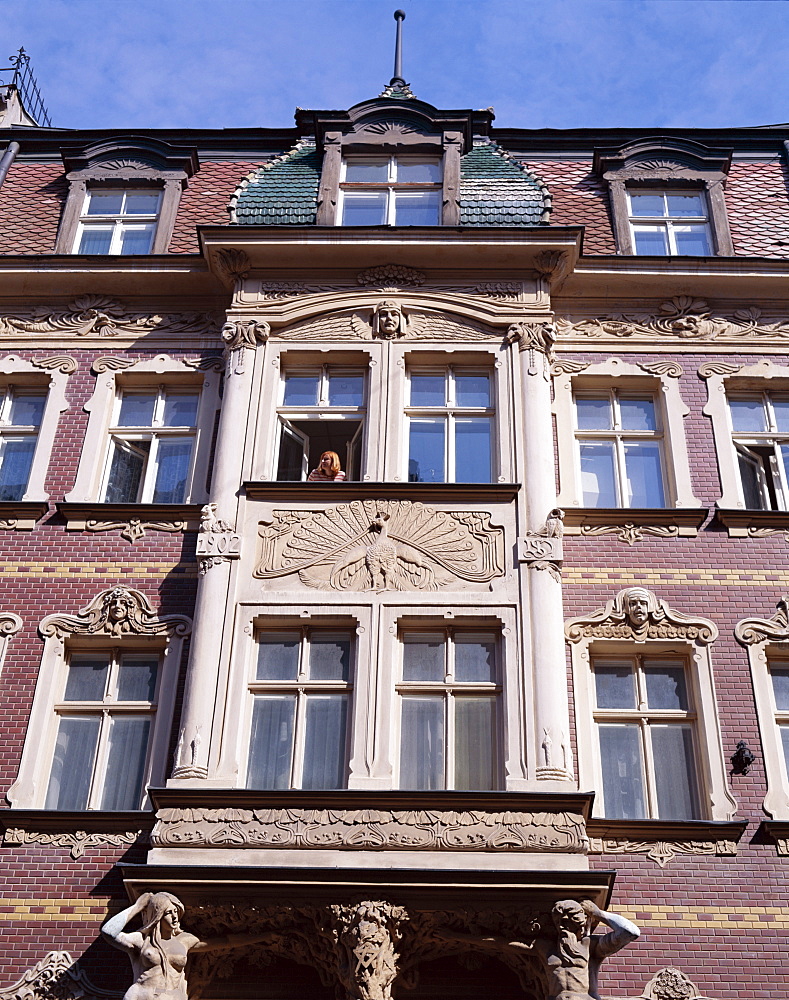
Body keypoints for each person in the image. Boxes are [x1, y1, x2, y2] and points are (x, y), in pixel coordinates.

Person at [102, 890, 275, 1000]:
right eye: (169, 913)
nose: (175, 917)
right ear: (158, 916)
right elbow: (109, 932)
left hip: (171, 996)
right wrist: (138, 906)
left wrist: (263, 936)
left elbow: (225, 942)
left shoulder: (185, 940)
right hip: (141, 995)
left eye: (176, 911)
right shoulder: (142, 940)